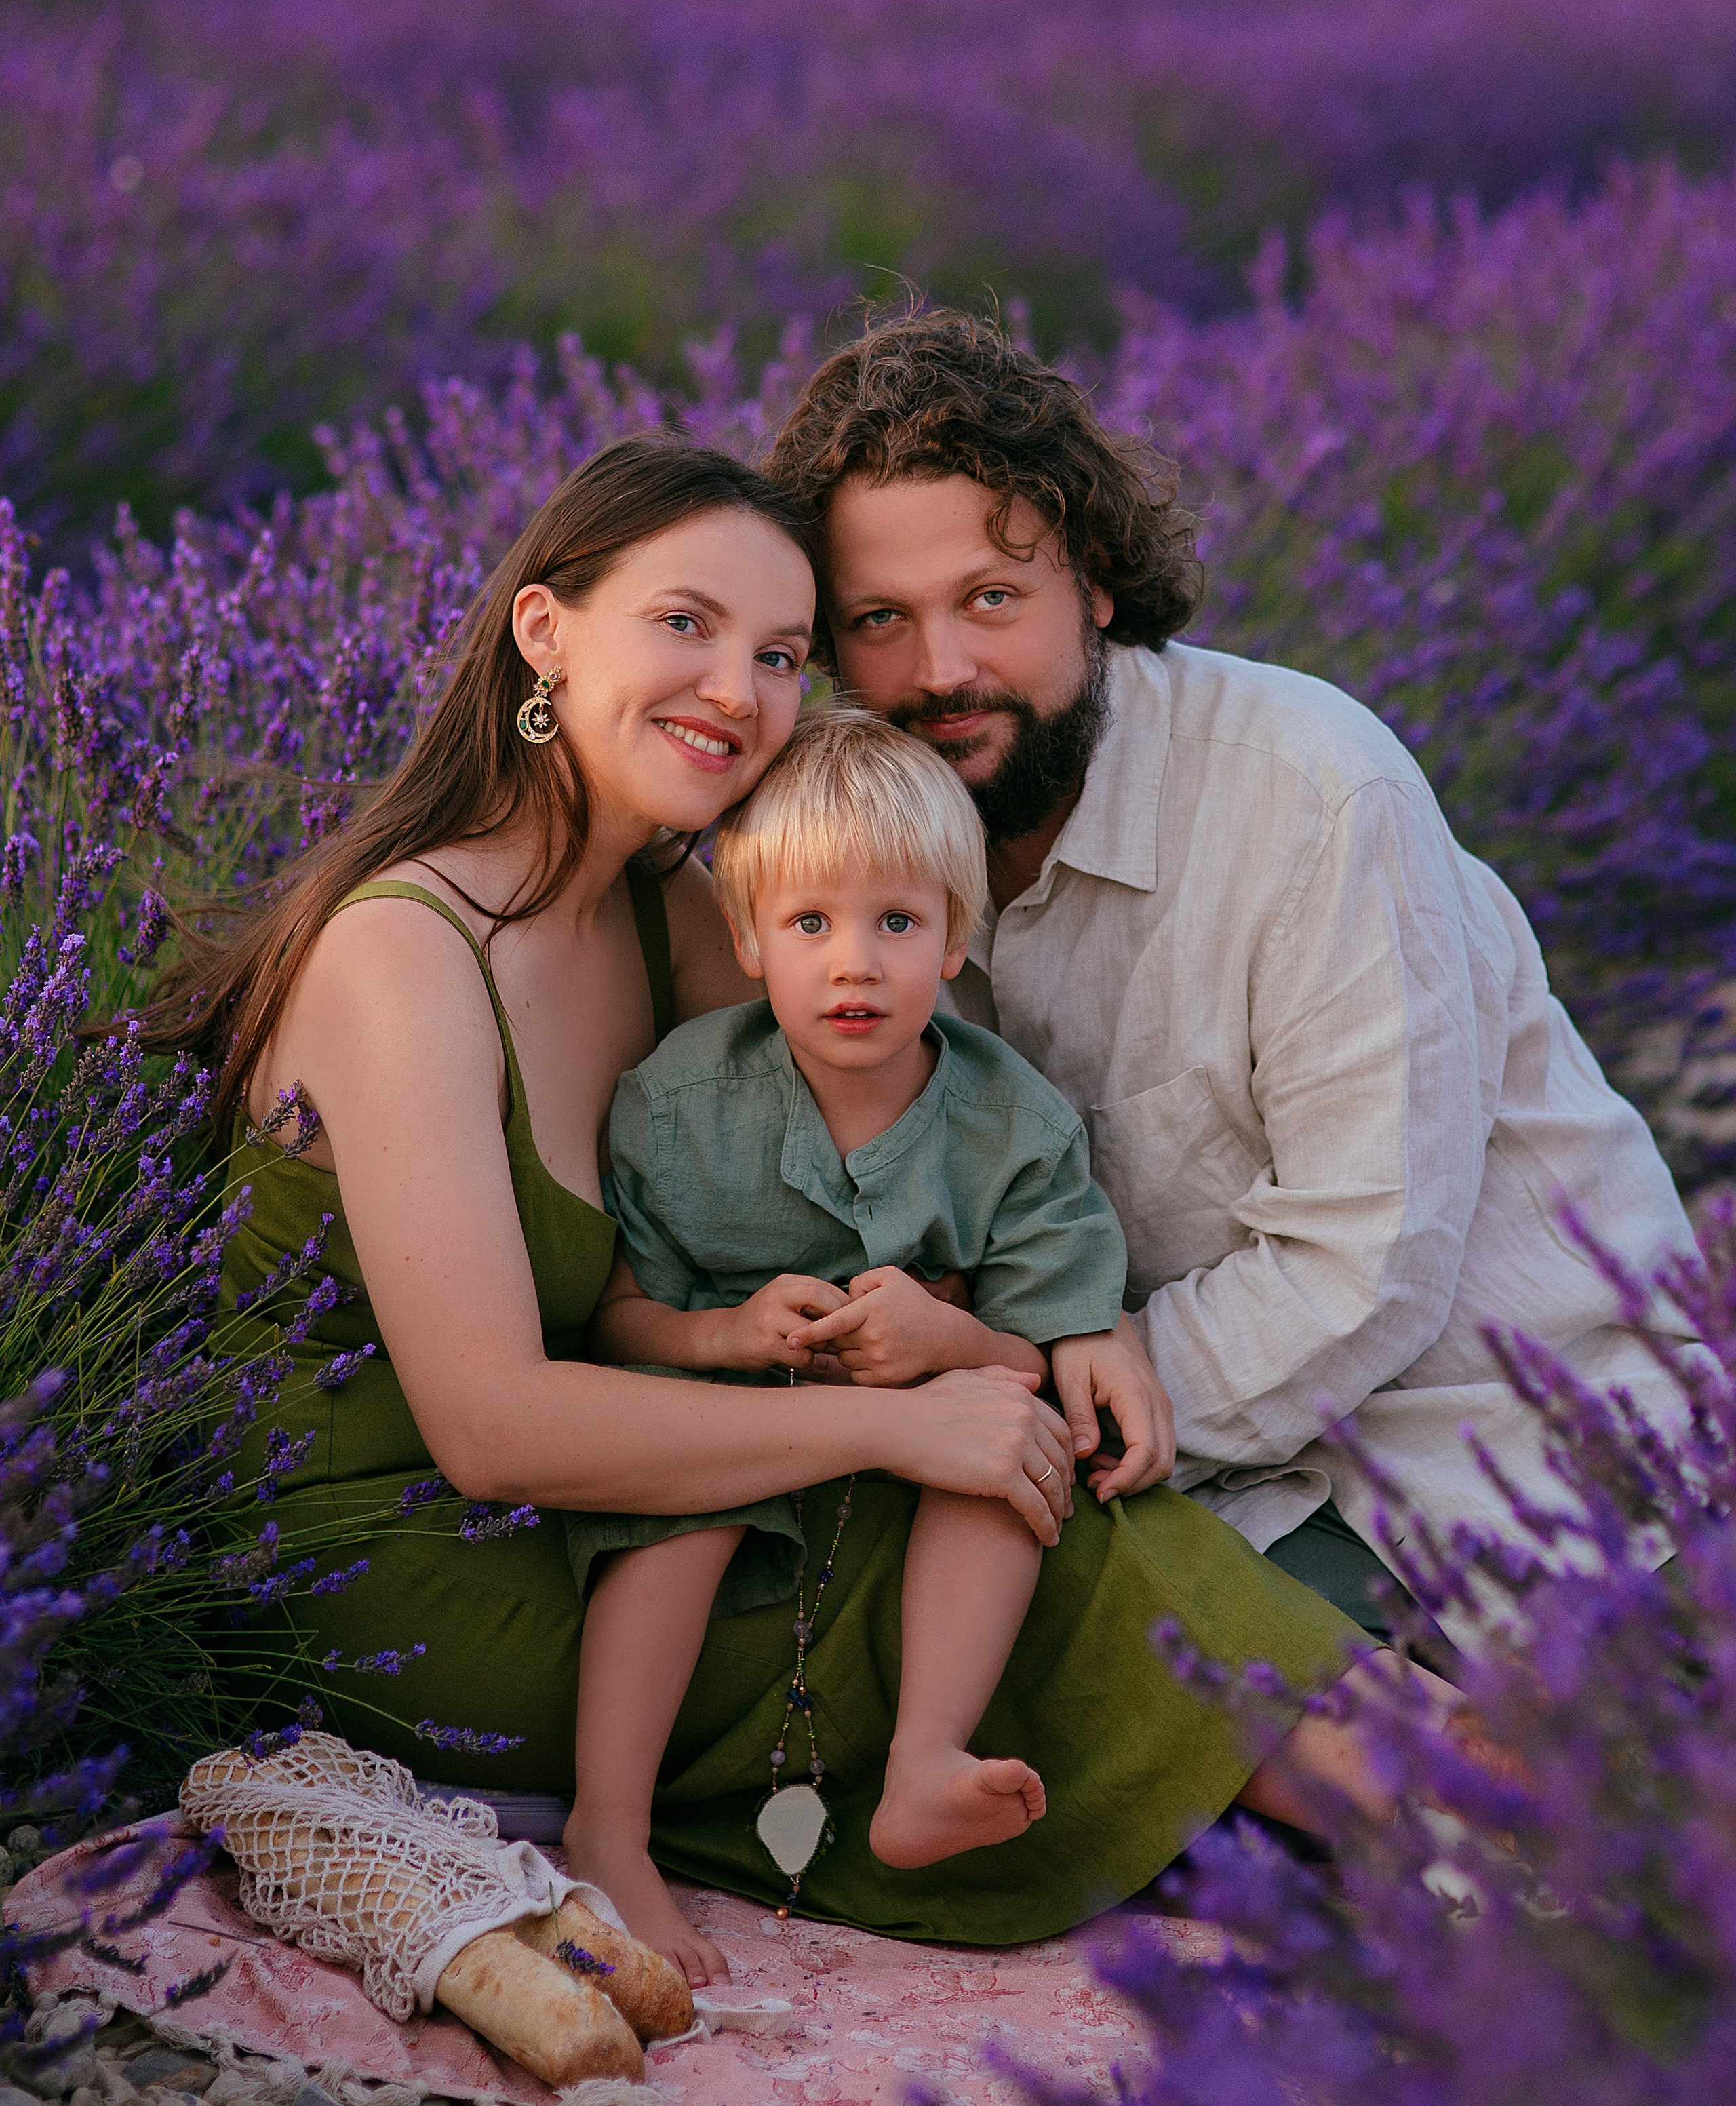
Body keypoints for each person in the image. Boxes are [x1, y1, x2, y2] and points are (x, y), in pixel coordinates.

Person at [140, 431, 1399, 1983]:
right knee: (1000, 1522)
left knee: (1014, 1477)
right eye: (684, 624)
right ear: (545, 632)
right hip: (399, 1572)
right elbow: (487, 1426)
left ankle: (1448, 1817)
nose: (735, 690)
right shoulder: (408, 951)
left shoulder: (672, 919)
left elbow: (922, 1121)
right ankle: (1490, 1816)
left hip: (610, 1496)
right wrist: (891, 1426)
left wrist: (1044, 1328)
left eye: (785, 653)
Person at [764, 310, 1697, 1648]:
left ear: (1090, 579)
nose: (942, 670)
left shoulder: (1310, 792)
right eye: (878, 620)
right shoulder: (854, 856)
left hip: (1500, 1465)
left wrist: (1021, 1381)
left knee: (1155, 1747)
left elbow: (1359, 1264)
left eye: (987, 598)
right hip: (1195, 1471)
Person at [570, 710, 1133, 1951]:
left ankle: (928, 1760)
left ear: (955, 939)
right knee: (678, 1497)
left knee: (1009, 1454)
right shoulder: (677, 1107)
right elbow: (620, 1323)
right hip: (737, 1424)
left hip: (928, 1428)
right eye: (811, 923)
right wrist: (723, 1338)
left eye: (897, 923)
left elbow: (1043, 1341)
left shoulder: (1014, 1122)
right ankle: (605, 1824)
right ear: (748, 939)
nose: (855, 964)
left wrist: (955, 1351)